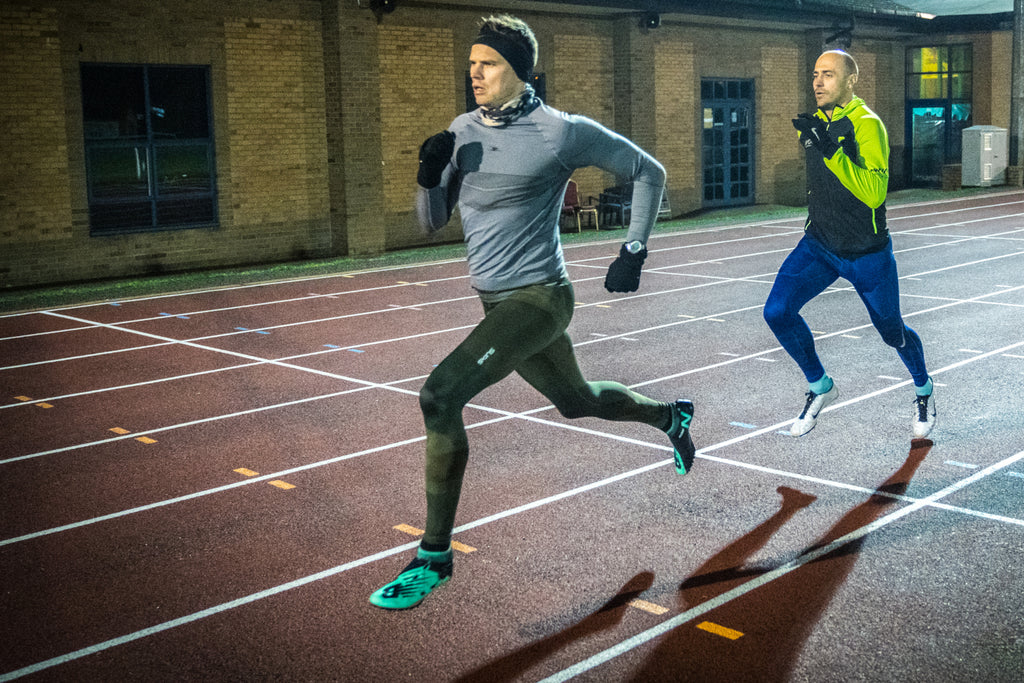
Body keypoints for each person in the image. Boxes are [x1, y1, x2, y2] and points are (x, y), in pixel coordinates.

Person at [369, 14, 696, 610]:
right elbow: (429, 222)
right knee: (578, 401)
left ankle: (433, 557)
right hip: (496, 302)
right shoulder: (461, 128)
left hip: (540, 299)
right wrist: (427, 175)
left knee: (439, 396)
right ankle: (670, 417)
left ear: (521, 71)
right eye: (471, 64)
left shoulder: (560, 132)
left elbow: (651, 171)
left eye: (488, 63)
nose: (475, 73)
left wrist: (634, 248)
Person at [763, 49, 936, 439]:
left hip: (867, 255)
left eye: (828, 74)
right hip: (820, 246)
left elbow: (874, 193)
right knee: (777, 312)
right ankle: (820, 386)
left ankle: (923, 388)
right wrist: (819, 142)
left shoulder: (867, 124)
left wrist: (832, 152)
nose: (818, 82)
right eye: (815, 74)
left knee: (892, 332)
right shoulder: (814, 125)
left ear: (850, 80)